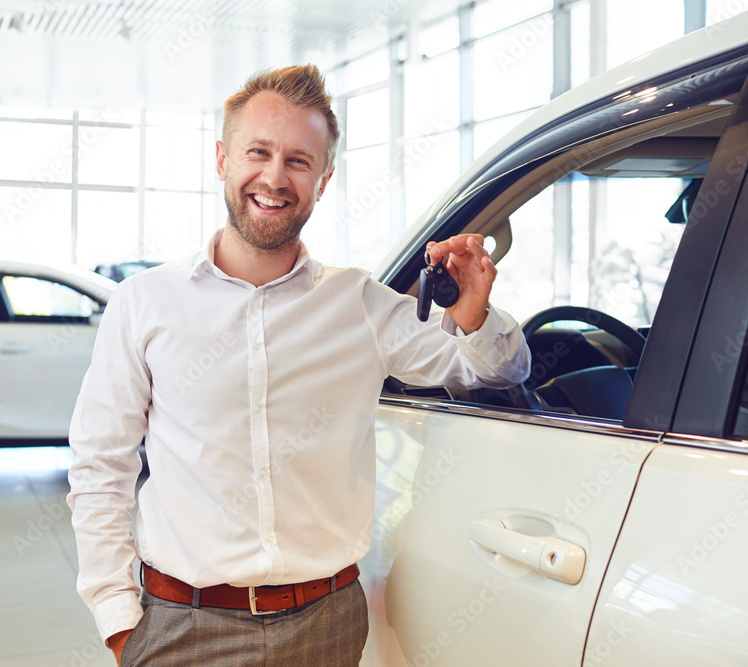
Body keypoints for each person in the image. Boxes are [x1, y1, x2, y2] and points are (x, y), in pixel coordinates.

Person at [66, 64, 530, 667]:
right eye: (257, 152)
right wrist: (119, 621)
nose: (274, 177)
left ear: (324, 180)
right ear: (222, 159)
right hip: (182, 625)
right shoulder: (145, 302)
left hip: (326, 626)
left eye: (299, 161)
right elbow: (100, 464)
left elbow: (496, 370)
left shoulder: (360, 304)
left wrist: (474, 312)